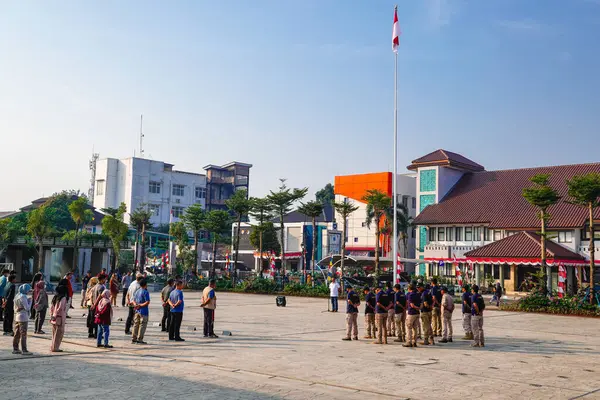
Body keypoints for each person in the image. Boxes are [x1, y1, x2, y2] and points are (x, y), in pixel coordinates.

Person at [13, 284, 32, 355]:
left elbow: (15, 308)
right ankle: (24, 350)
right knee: (23, 334)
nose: (28, 291)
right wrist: (30, 301)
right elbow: (27, 308)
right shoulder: (23, 296)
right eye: (28, 290)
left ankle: (15, 349)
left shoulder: (17, 296)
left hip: (17, 316)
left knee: (16, 334)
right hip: (23, 317)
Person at [50, 284, 68, 352]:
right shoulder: (63, 298)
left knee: (54, 333)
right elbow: (60, 308)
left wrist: (52, 315)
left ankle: (52, 346)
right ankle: (55, 348)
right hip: (59, 317)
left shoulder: (55, 297)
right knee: (59, 333)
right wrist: (57, 314)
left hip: (54, 317)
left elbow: (51, 308)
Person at [132, 279, 150, 344]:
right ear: (145, 285)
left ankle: (134, 338)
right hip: (143, 311)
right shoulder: (145, 292)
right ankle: (140, 339)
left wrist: (136, 305)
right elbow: (147, 302)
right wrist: (140, 305)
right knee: (142, 325)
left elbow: (133, 300)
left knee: (136, 324)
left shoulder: (137, 291)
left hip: (137, 310)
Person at [403, 283, 421, 347]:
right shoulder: (418, 294)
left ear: (409, 288)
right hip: (417, 313)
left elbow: (411, 305)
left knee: (409, 327)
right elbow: (421, 303)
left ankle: (409, 342)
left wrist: (416, 307)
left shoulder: (410, 295)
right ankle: (414, 342)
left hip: (411, 313)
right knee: (415, 328)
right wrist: (419, 308)